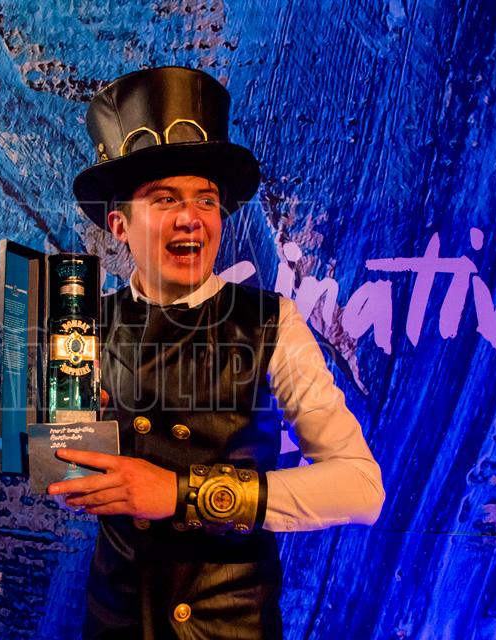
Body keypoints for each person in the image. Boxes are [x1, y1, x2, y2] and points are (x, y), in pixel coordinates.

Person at [47, 66, 384, 639]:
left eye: (206, 199)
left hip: (231, 626)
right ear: (119, 225)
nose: (191, 218)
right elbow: (65, 481)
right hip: (117, 621)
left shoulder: (271, 323)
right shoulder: (79, 324)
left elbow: (360, 488)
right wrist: (66, 438)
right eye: (165, 199)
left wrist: (180, 494)